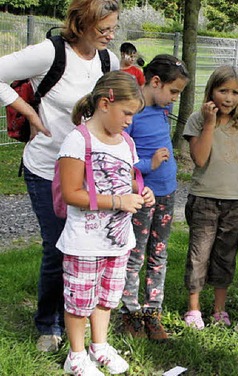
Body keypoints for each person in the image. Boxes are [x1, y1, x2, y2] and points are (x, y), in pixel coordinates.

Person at [0, 0, 120, 352]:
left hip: (86, 171)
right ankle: (47, 325)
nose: (110, 36)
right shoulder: (49, 53)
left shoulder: (107, 60)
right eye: (103, 29)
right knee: (57, 248)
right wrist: (28, 112)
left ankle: (78, 323)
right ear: (81, 24)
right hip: (45, 168)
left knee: (85, 249)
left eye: (114, 28)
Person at [57, 71, 154, 375]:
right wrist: (119, 201)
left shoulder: (125, 142)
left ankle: (99, 347)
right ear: (104, 104)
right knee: (79, 301)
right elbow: (73, 193)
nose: (129, 121)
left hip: (117, 242)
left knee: (106, 298)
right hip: (84, 243)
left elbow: (127, 180)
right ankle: (75, 356)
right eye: (126, 113)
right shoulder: (77, 140)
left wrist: (141, 191)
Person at [119, 54, 189, 340]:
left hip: (167, 191)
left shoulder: (161, 109)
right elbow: (122, 162)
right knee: (135, 253)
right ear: (155, 82)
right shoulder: (131, 114)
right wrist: (150, 165)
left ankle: (152, 312)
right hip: (141, 195)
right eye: (173, 92)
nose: (174, 99)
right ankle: (130, 313)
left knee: (159, 252)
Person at [182, 65, 238, 329]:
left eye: (235, 92)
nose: (229, 98)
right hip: (204, 198)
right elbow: (199, 157)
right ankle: (194, 309)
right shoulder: (198, 120)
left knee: (225, 255)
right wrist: (210, 123)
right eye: (223, 91)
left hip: (234, 200)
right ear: (211, 92)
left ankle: (219, 309)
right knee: (200, 254)